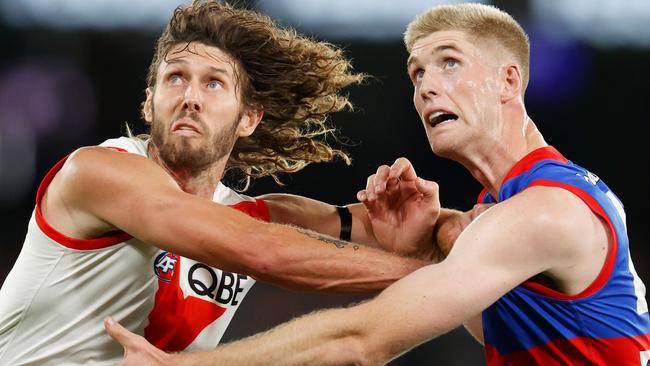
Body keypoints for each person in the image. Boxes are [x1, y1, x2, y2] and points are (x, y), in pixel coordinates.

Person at [106, 3, 650, 365]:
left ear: (509, 80)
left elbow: (363, 340)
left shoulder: (545, 211)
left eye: (449, 64)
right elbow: (499, 332)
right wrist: (429, 248)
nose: (427, 87)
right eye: (417, 74)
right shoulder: (508, 206)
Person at [0, 2, 480, 365]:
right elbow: (261, 252)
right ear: (148, 104)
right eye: (175, 78)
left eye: (213, 84)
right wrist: (444, 278)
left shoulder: (254, 214)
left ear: (248, 118)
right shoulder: (97, 173)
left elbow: (398, 230)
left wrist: (445, 229)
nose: (190, 97)